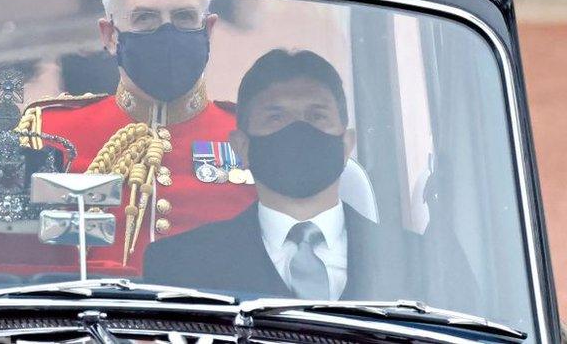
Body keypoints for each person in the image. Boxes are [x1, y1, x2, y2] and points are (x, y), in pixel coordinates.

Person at [143, 49, 477, 304]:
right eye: (277, 118)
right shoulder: (178, 267)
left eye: (316, 116)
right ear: (242, 147)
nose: (298, 130)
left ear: (346, 144)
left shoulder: (426, 267)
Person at [17, 0, 257, 267]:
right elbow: (14, 254)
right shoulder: (49, 132)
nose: (168, 33)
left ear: (209, 30)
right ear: (109, 35)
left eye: (184, 17)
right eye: (145, 18)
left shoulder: (252, 137)